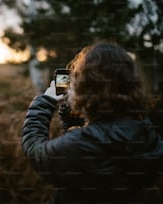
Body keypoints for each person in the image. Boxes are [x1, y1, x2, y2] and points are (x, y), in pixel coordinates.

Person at [22, 42, 163, 203]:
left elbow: (36, 153)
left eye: (77, 79)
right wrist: (73, 111)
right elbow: (87, 144)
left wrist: (44, 102)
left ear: (87, 87)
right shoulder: (145, 132)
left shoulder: (84, 143)